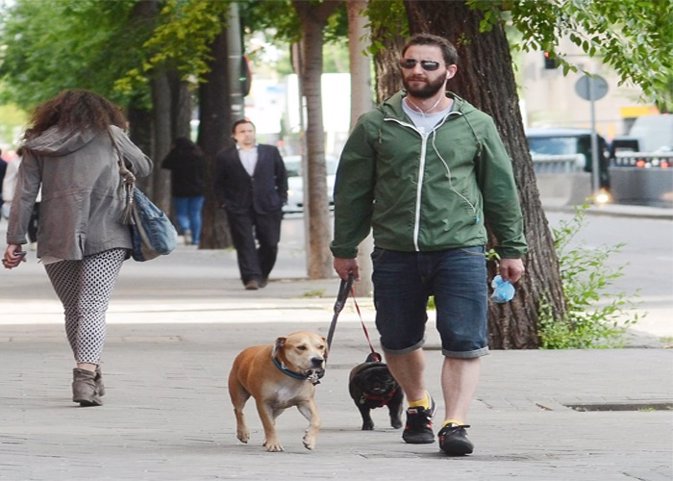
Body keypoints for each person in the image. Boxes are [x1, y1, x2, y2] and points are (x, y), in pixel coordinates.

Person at [330, 33, 527, 456]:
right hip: (396, 249)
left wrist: (511, 247)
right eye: (410, 63)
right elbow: (352, 192)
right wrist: (344, 248)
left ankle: (455, 423)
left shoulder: (476, 124)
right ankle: (418, 404)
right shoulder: (376, 125)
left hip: (461, 248)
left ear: (449, 71)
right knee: (398, 340)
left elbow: (501, 191)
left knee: (463, 339)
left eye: (428, 65)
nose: (417, 71)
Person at [2, 89, 152, 407]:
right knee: (92, 307)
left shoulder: (38, 144)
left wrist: (15, 239)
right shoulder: (110, 134)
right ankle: (85, 374)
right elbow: (143, 167)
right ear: (101, 111)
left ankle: (87, 373)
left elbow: (24, 196)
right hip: (107, 232)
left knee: (75, 309)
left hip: (56, 234)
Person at [214, 119, 288, 290]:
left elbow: (282, 176)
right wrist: (224, 203)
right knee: (244, 242)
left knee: (270, 243)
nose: (247, 134)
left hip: (268, 204)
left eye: (249, 131)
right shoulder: (225, 156)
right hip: (239, 206)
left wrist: (281, 198)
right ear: (234, 136)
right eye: (242, 131)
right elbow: (218, 182)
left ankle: (262, 272)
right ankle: (251, 277)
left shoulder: (270, 152)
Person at [161, 137, 206, 246]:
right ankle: (195, 239)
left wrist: (172, 151)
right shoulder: (199, 156)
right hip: (198, 190)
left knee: (181, 214)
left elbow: (164, 164)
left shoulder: (176, 156)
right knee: (195, 214)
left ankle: (186, 228)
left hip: (180, 190)